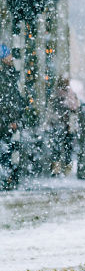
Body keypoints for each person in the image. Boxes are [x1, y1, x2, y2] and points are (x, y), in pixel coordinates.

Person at [0, 45, 26, 190]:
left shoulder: (8, 73)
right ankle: (7, 178)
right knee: (6, 152)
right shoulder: (6, 76)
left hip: (6, 122)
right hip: (5, 123)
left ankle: (8, 177)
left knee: (8, 151)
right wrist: (11, 119)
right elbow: (8, 99)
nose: (11, 58)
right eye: (8, 55)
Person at [46, 77, 80, 176]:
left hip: (60, 125)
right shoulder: (71, 95)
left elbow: (50, 111)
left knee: (57, 148)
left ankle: (57, 168)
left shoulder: (56, 95)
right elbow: (76, 108)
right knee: (67, 148)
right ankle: (66, 169)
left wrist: (51, 120)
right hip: (67, 125)